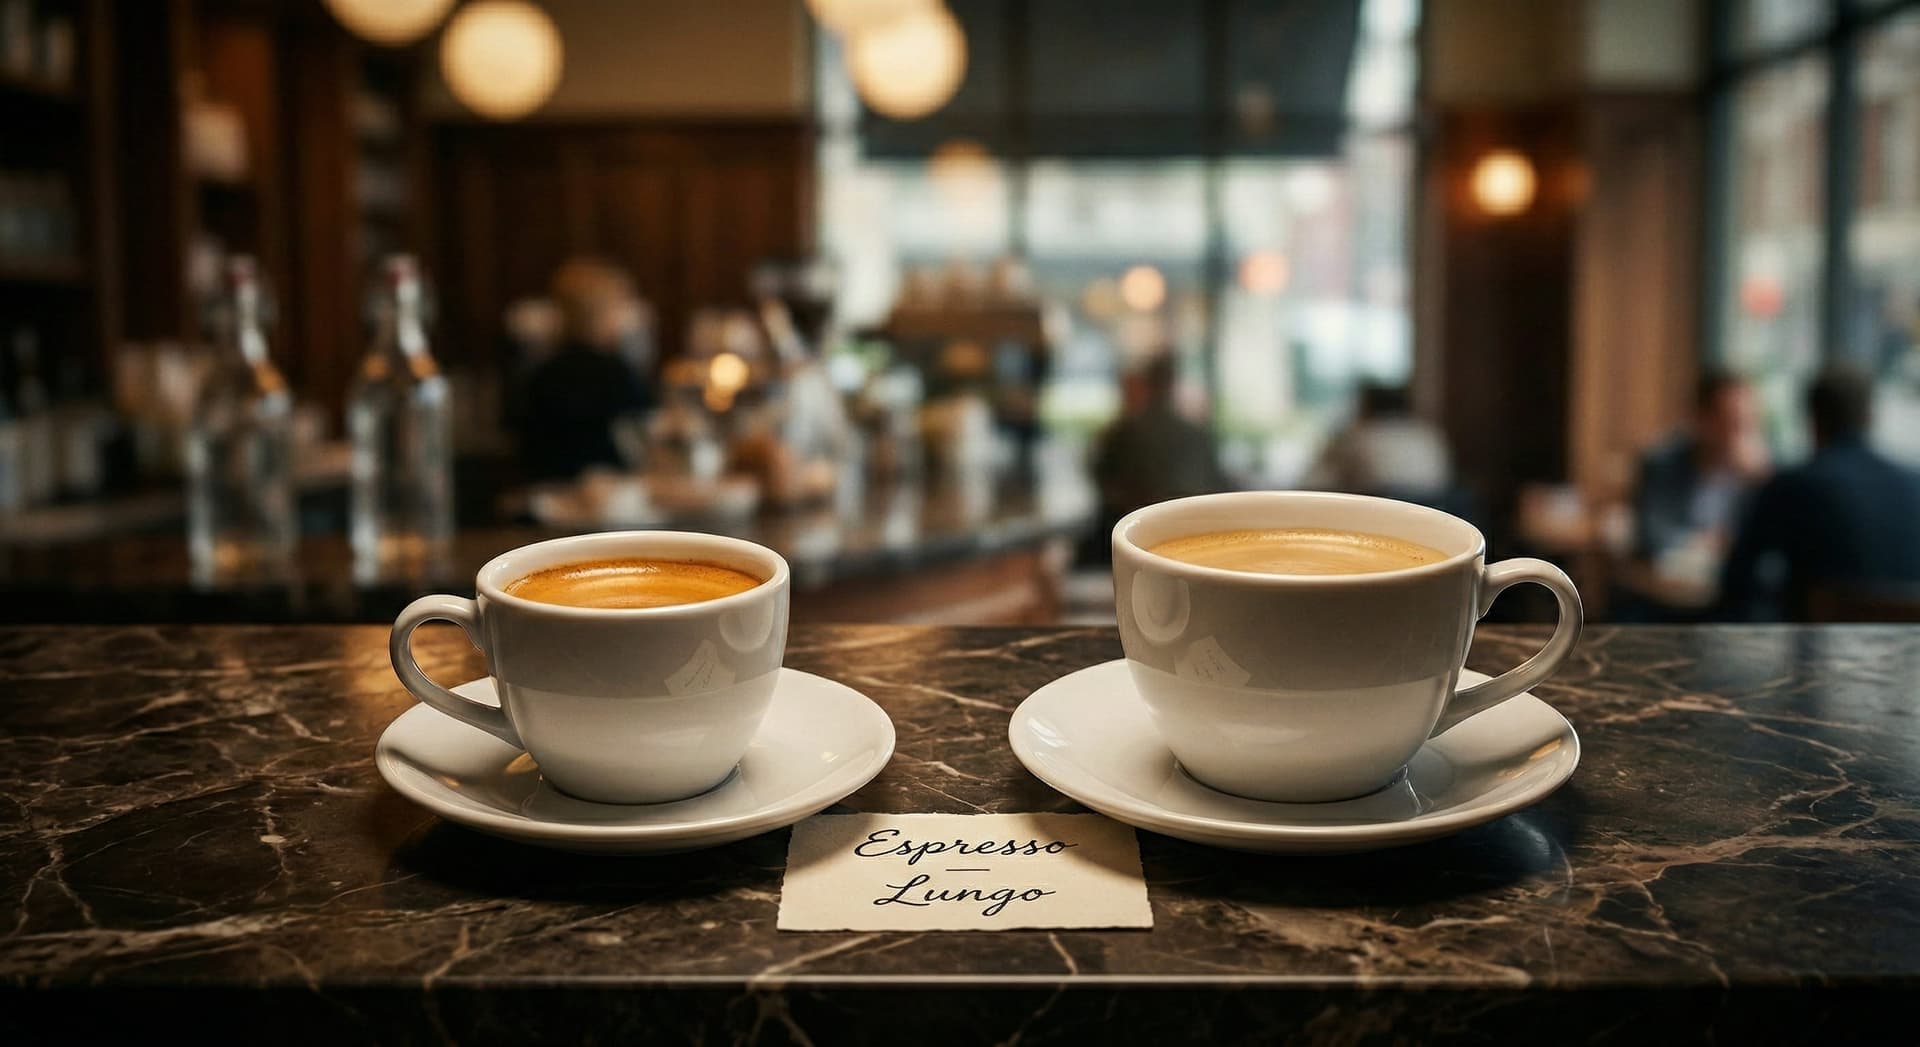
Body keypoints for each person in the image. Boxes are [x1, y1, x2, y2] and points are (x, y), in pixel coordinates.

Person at [1717, 366, 1920, 620]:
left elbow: (1736, 578)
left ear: (1812, 420)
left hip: (1816, 653)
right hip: (1909, 653)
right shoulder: (1915, 481)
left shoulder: (1793, 485)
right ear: (1871, 416)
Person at [516, 259, 655, 481]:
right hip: (606, 501)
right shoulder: (617, 374)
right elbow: (643, 437)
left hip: (547, 495)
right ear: (607, 312)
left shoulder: (543, 372)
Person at [1086, 353, 1232, 561]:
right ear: (1172, 385)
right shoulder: (1196, 433)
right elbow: (1221, 486)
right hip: (1201, 538)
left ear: (1143, 385)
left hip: (1134, 543)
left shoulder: (1123, 431)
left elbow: (1101, 479)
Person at [1633, 370, 1769, 563]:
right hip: (1672, 585)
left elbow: (1771, 548)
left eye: (1748, 422)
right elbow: (1651, 537)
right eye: (1731, 421)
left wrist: (1764, 485)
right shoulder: (1662, 463)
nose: (1741, 434)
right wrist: (1707, 543)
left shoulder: (1760, 474)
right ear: (1701, 419)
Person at [1306, 382, 1453, 502]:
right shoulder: (1428, 433)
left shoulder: (1359, 435)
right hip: (1441, 509)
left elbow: (1317, 480)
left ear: (1365, 407)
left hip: (1385, 509)